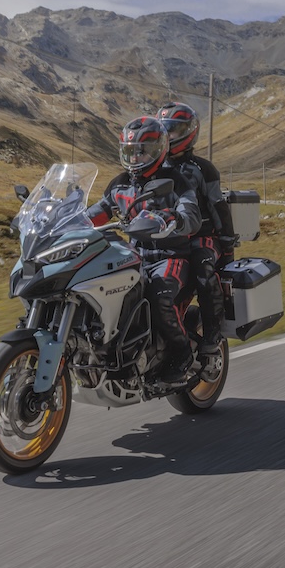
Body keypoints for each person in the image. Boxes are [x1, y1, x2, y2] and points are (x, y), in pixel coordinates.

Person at [89, 115, 202, 385]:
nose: (136, 158)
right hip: (134, 256)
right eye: (131, 152)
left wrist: (174, 218)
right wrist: (66, 222)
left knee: (159, 296)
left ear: (159, 149)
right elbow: (97, 213)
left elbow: (192, 215)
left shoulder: (176, 181)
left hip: (170, 257)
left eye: (143, 151)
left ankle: (182, 352)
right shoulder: (119, 184)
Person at [156, 101, 235, 377]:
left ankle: (213, 334)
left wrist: (227, 243)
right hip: (166, 239)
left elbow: (218, 206)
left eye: (175, 130)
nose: (169, 135)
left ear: (190, 133)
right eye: (165, 130)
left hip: (201, 237)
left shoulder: (203, 168)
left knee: (203, 269)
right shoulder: (156, 166)